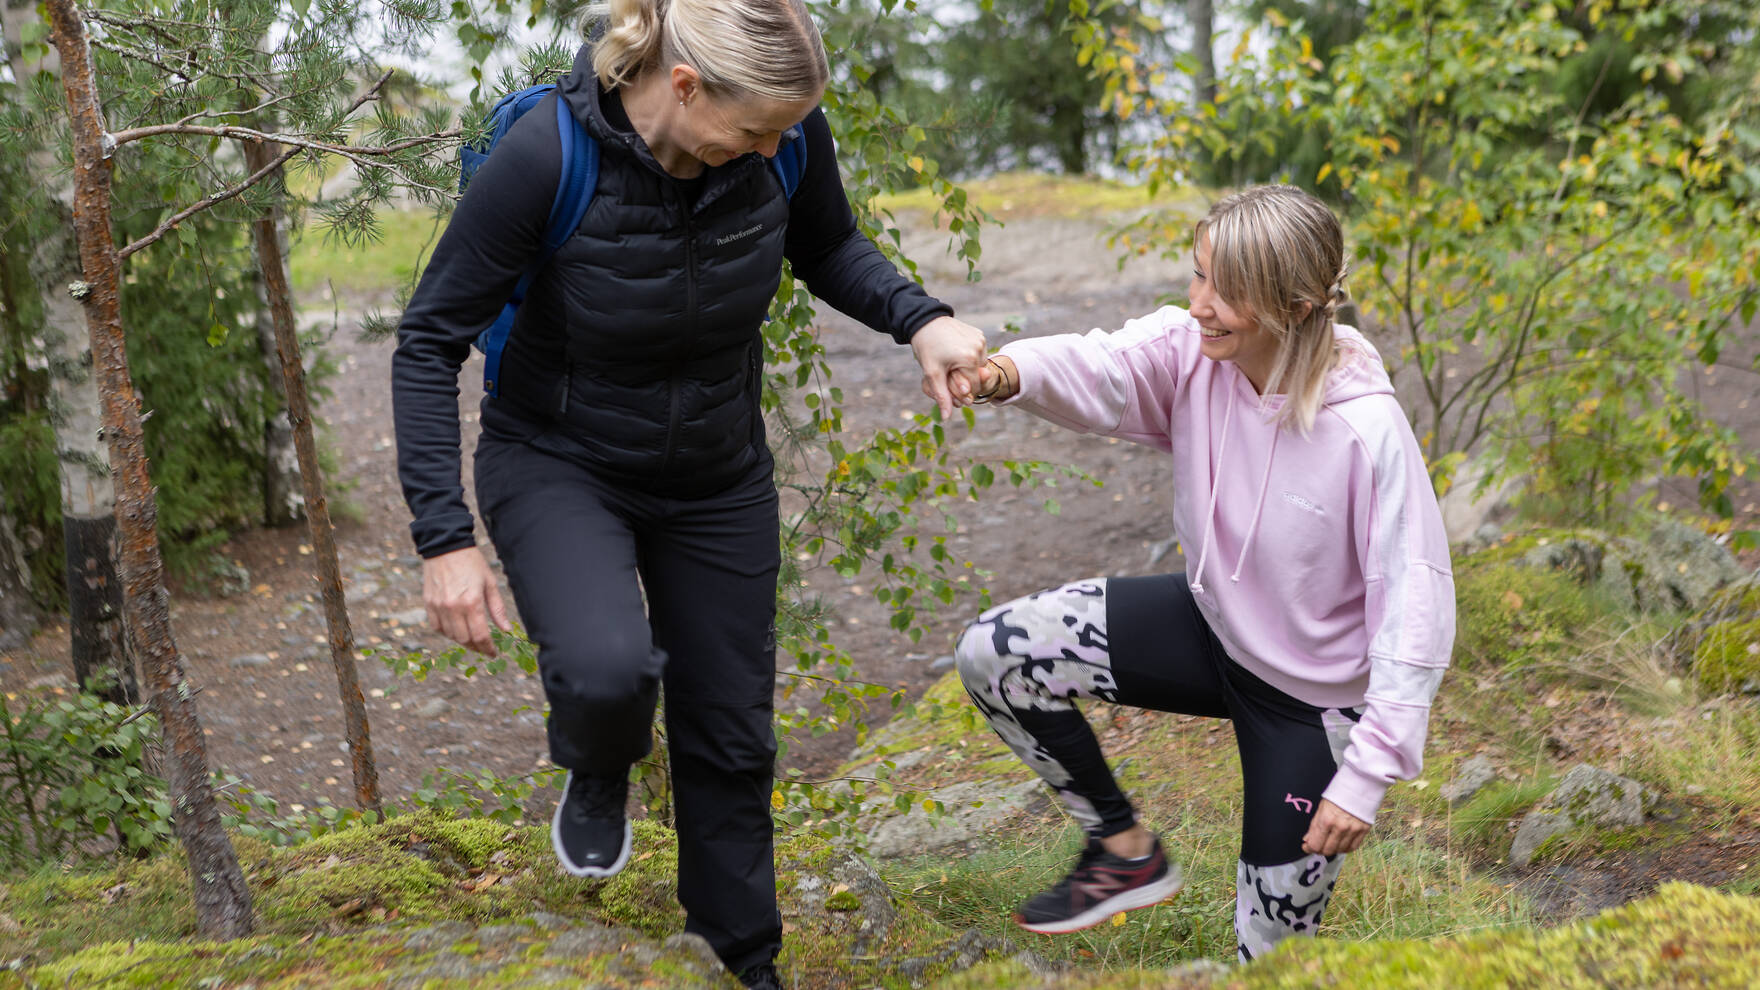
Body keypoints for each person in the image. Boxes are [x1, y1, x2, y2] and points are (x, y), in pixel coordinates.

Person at [390, 1, 986, 986]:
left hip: (717, 476)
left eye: (787, 130)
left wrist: (920, 319)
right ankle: (599, 760)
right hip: (557, 458)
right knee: (605, 674)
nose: (775, 148)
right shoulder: (547, 155)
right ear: (683, 85)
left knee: (731, 741)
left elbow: (829, 245)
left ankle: (741, 967)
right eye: (756, 130)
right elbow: (427, 342)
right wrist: (443, 539)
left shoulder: (785, 143)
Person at [950, 184, 1455, 961]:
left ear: (1293, 305)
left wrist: (1366, 776)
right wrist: (1003, 373)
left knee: (1270, 951)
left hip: (1312, 703)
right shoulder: (1193, 352)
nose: (1199, 304)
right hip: (1212, 627)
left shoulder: (1366, 431)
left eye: (1227, 291)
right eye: (1199, 275)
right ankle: (1122, 851)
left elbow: (1415, 607)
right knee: (996, 653)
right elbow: (1103, 364)